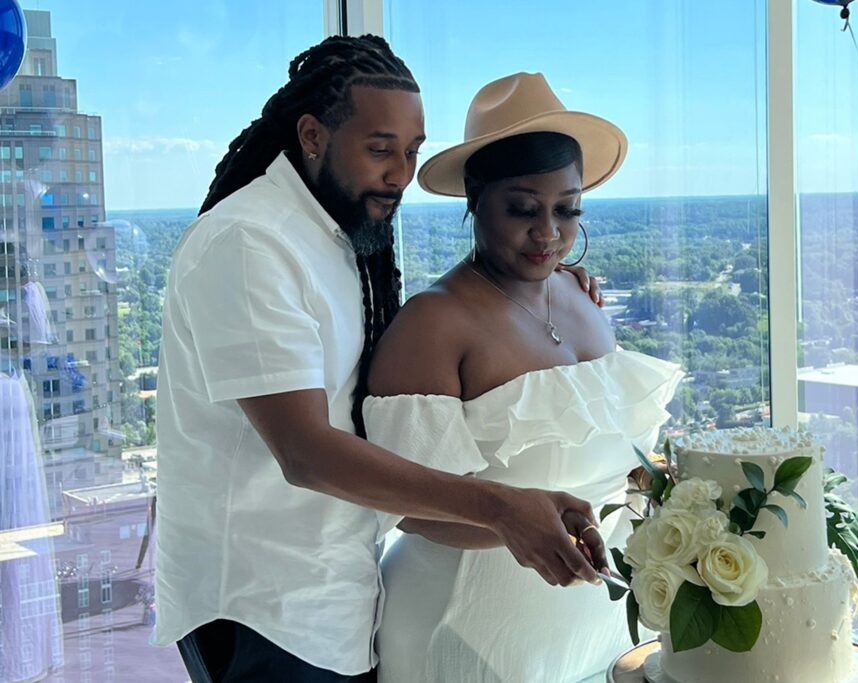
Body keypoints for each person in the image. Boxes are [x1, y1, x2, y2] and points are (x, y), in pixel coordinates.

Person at [151, 36, 608, 683]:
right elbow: (304, 449)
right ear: (312, 135)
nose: (399, 172)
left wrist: (556, 294)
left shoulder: (337, 241)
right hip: (259, 605)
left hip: (338, 597)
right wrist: (503, 509)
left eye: (411, 152)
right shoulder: (249, 242)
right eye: (379, 148)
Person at [364, 73, 684, 683]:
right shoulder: (433, 324)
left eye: (566, 210)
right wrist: (515, 527)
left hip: (587, 625)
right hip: (463, 628)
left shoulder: (580, 297)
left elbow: (615, 458)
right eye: (522, 209)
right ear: (474, 200)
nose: (548, 233)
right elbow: (402, 504)